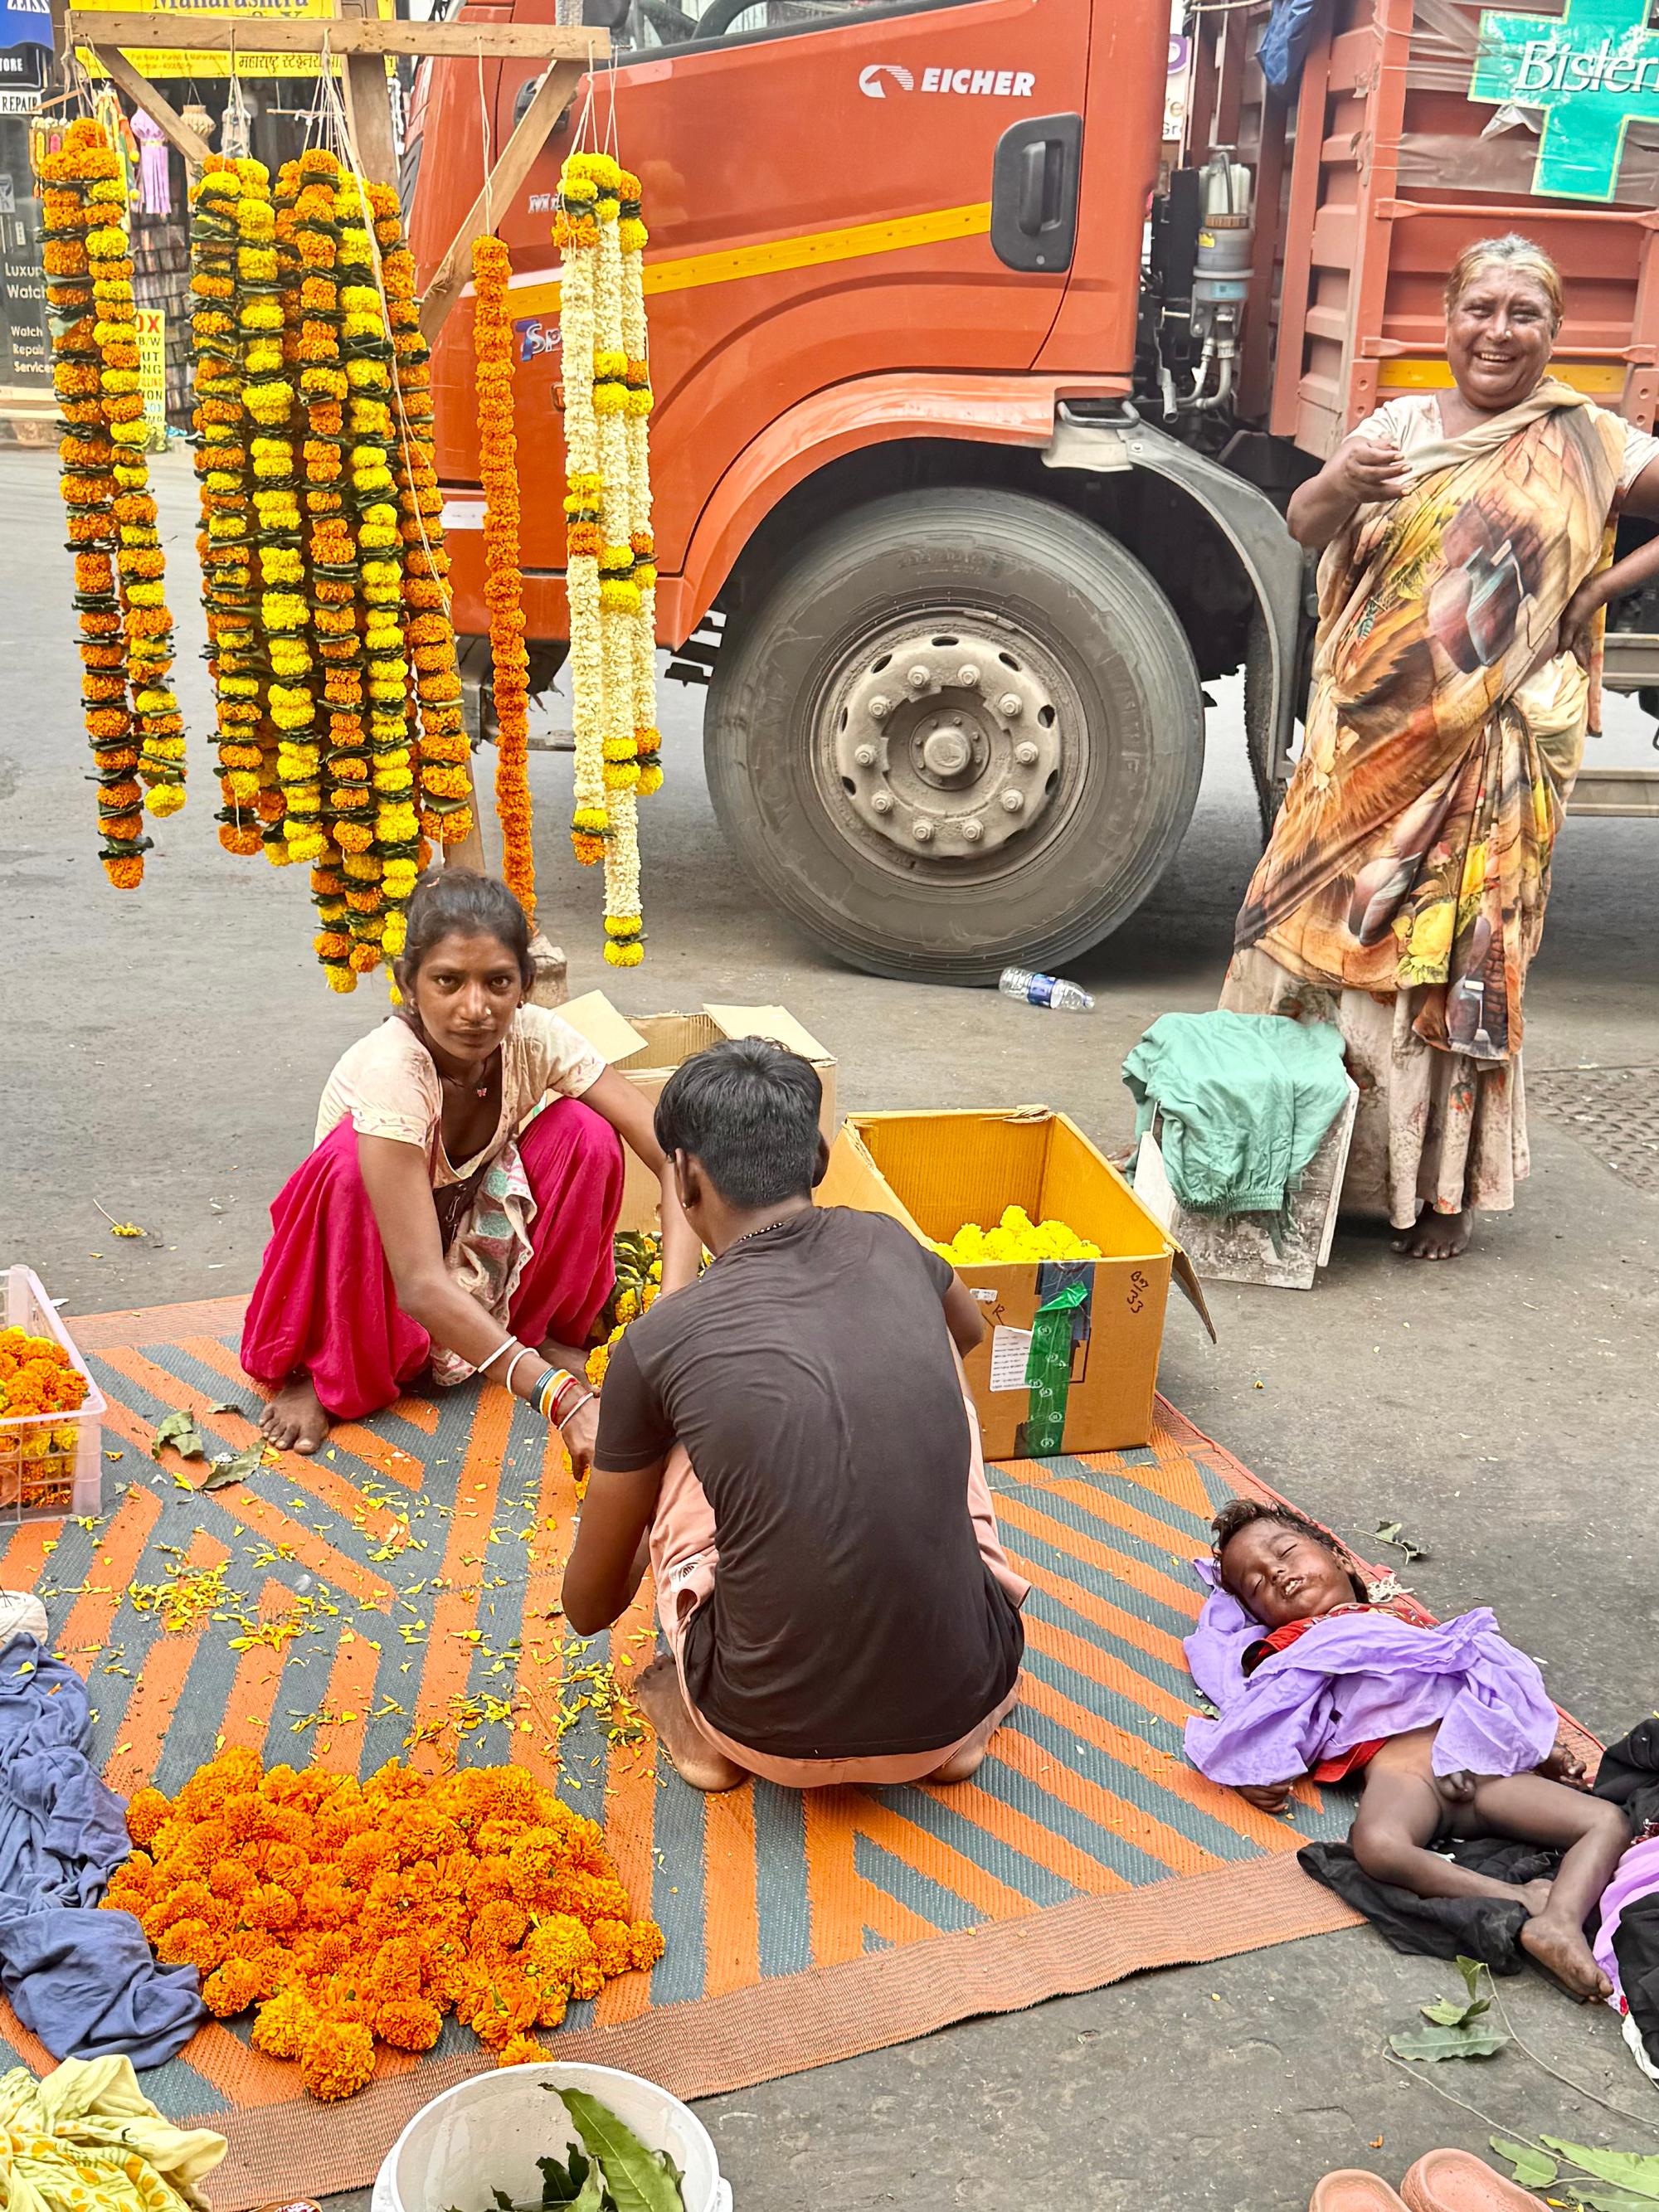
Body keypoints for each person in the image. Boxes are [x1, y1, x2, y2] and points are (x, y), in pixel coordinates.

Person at [1226, 234, 1659, 1259]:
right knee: (1306, 945)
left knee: (1456, 959)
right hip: (1359, 742)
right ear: (1446, 317)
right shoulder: (1399, 424)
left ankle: (1440, 1188)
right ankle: (1285, 1156)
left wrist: (1598, 589)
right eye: (1479, 309)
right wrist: (1341, 477)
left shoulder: (1587, 438)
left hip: (1488, 749)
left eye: (1522, 314)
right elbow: (1301, 523)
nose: (1496, 332)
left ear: (1553, 335)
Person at [561, 1038, 1029, 1793]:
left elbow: (585, 1608)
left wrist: (649, 1512)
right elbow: (968, 1335)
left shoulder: (660, 1341)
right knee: (939, 1378)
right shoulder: (889, 1241)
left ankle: (699, 1722)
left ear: (682, 1177)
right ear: (815, 1154)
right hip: (959, 1699)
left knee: (682, 1425)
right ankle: (954, 1740)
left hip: (758, 1727)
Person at [241, 870, 698, 1456]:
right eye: (448, 982)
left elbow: (675, 1159)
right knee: (351, 1165)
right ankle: (321, 1367)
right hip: (381, 1267)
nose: (475, 1008)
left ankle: (538, 1336)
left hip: (467, 1236)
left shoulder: (535, 1039)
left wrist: (675, 1310)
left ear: (525, 986)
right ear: (409, 985)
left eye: (498, 982)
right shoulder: (393, 1071)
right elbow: (419, 1283)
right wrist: (561, 1397)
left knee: (586, 1134)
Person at [1188, 1498, 1627, 2000]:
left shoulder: (1410, 1625)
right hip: (1402, 1774)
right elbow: (1275, 1709)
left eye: (1286, 1552)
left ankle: (1560, 1922)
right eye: (1259, 1584)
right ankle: (1521, 1897)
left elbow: (1484, 1680)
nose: (1280, 1573)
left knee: (1606, 1820)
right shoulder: (1293, 1646)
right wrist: (1254, 1768)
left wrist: (1534, 1746)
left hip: (1477, 1762)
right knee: (1377, 1845)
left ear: (1339, 1559)